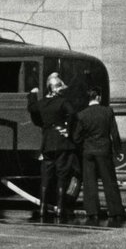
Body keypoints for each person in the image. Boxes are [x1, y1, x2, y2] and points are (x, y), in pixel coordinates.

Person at [74, 86, 126, 227]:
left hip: (88, 151)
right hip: (104, 150)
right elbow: (114, 133)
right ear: (98, 97)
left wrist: (85, 145)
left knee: (89, 182)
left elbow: (77, 137)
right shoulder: (107, 112)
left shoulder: (82, 115)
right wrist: (118, 150)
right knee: (109, 181)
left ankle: (92, 211)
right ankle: (115, 211)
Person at [27, 72, 77, 223]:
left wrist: (32, 95)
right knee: (62, 176)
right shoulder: (62, 102)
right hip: (62, 143)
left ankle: (42, 208)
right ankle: (60, 209)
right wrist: (67, 129)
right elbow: (72, 113)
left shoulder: (42, 103)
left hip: (47, 143)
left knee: (46, 178)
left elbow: (32, 109)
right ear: (55, 88)